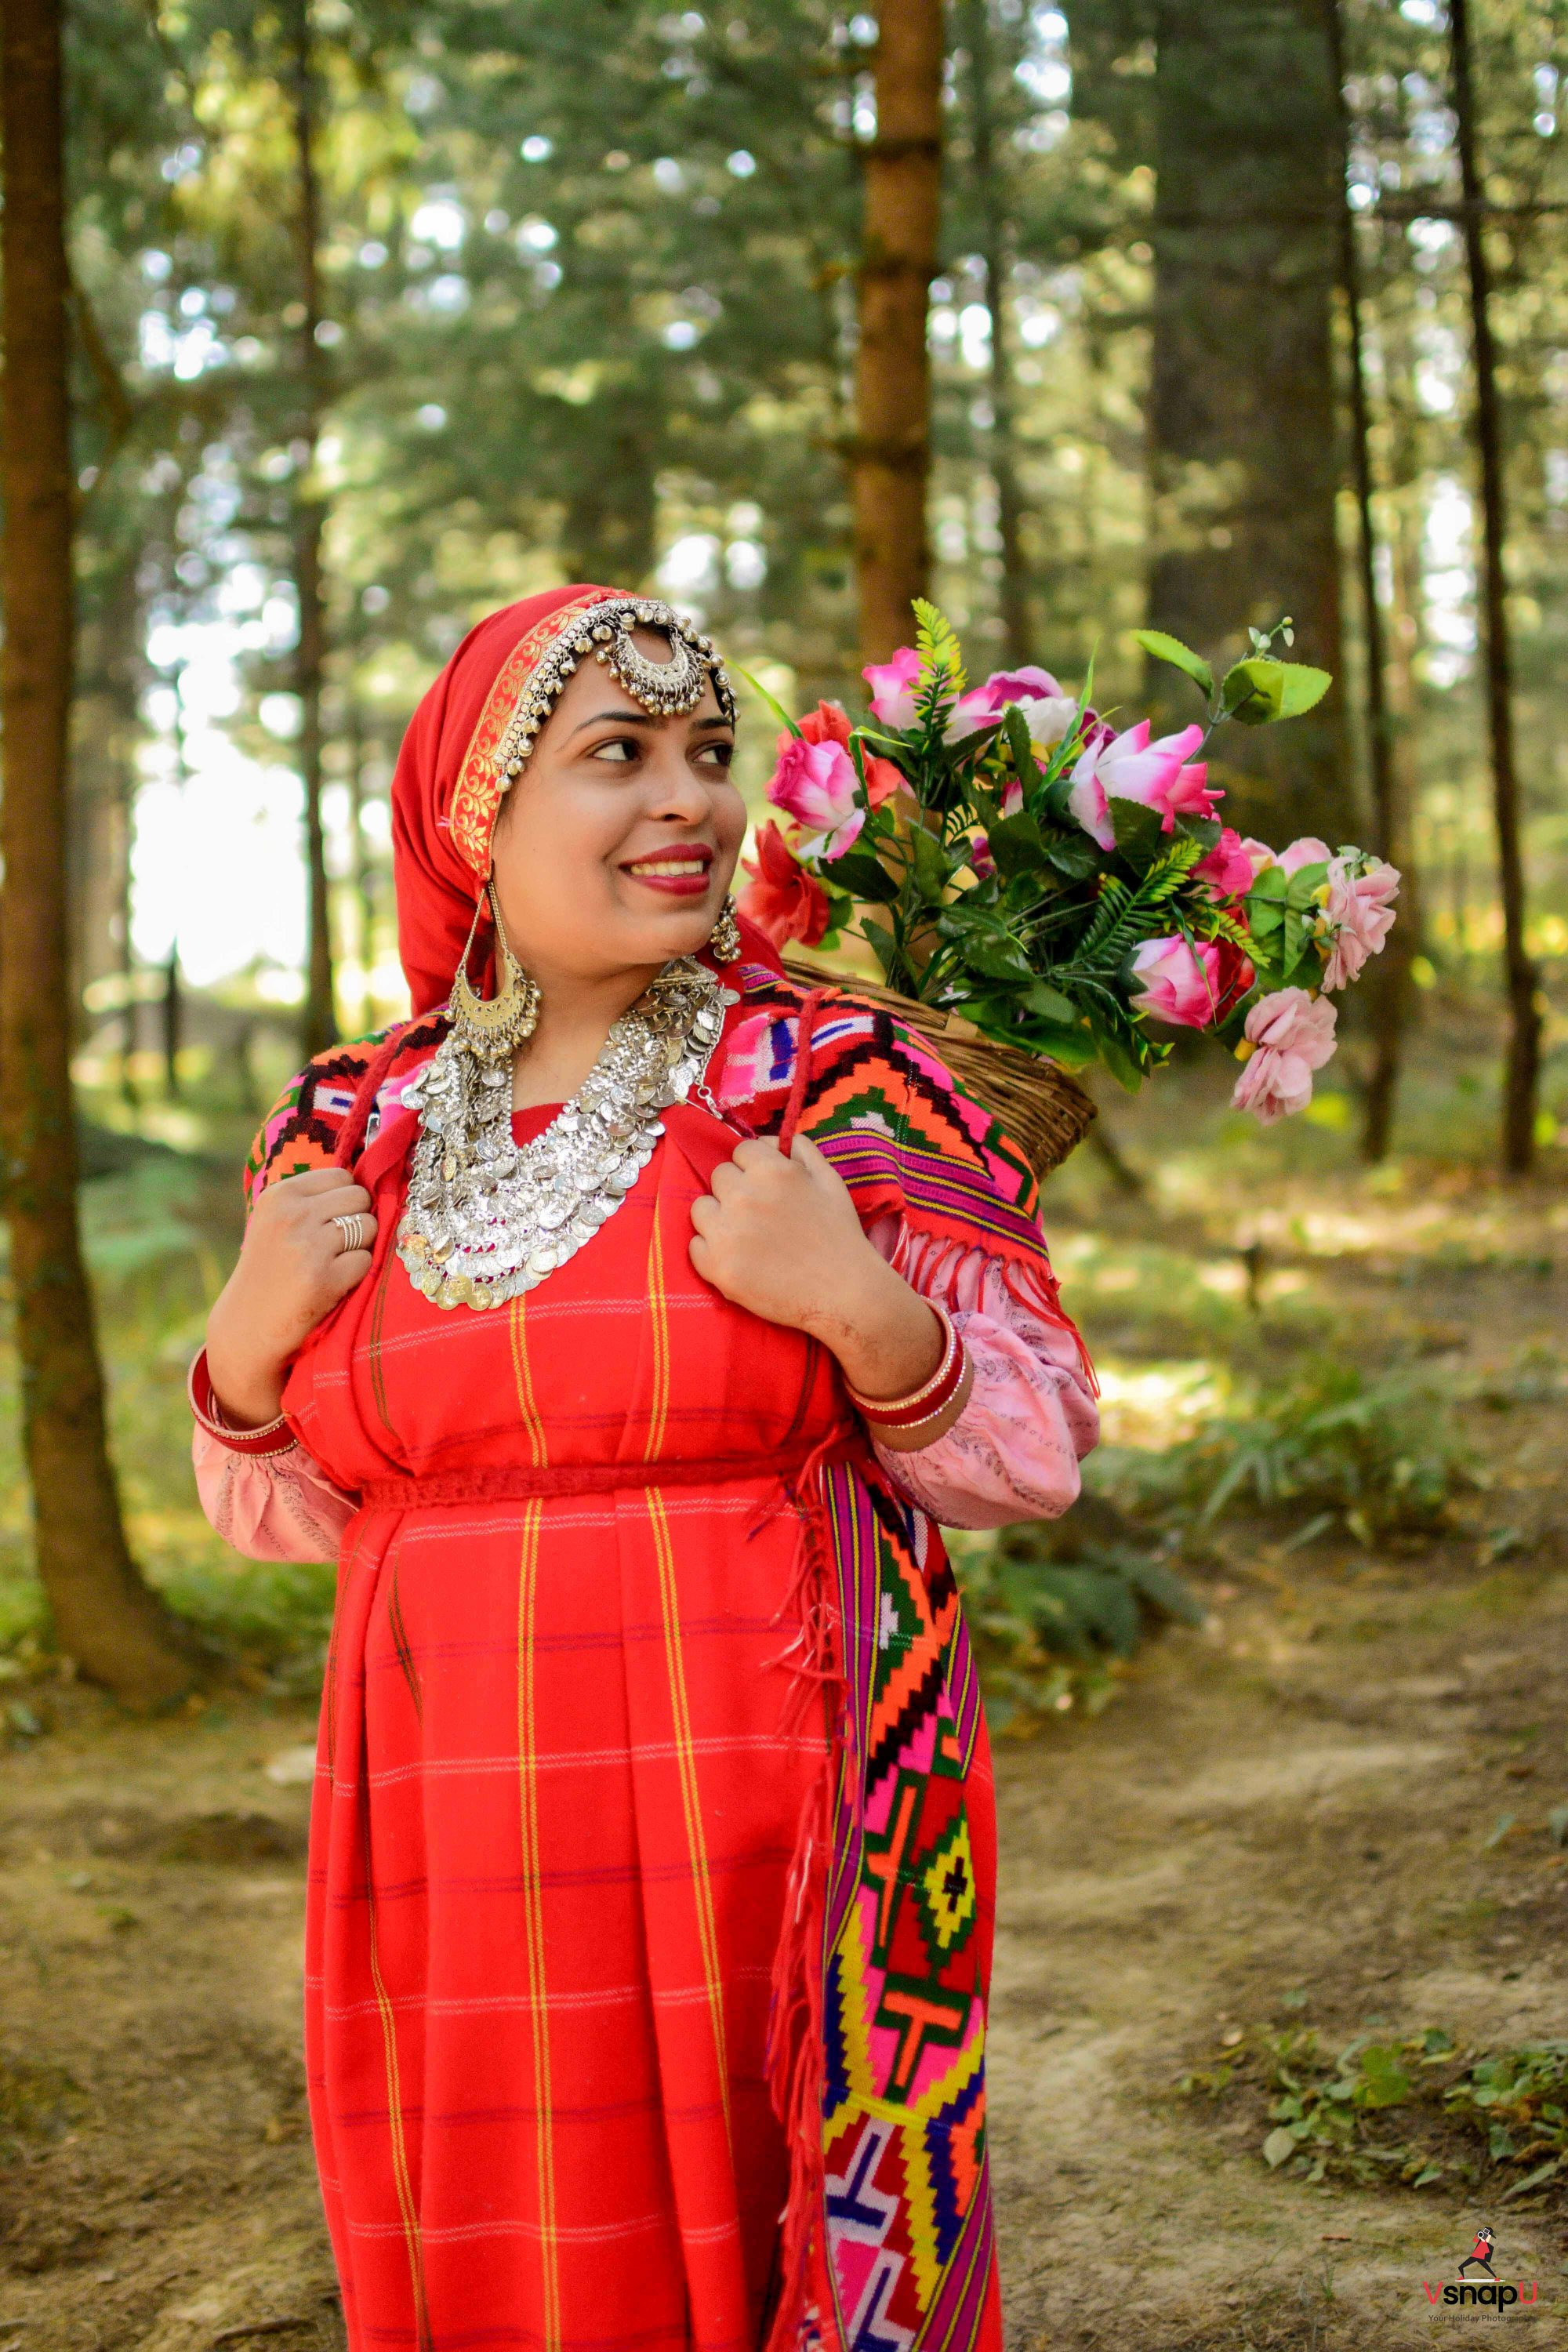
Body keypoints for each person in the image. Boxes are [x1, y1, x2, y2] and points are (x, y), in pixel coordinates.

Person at [191, 585, 1098, 2352]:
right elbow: (288, 1509)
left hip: (764, 1817)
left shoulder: (838, 1081)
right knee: (503, 2245)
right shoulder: (350, 1127)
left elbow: (1033, 1449)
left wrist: (857, 1306)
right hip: (443, 1829)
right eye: (619, 756)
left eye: (706, 755)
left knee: (771, 2243)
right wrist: (242, 1338)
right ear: (477, 815)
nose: (687, 801)